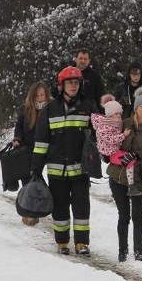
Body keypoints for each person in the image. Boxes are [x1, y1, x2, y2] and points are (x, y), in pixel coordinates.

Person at [31, 65, 97, 255]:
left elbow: (97, 135)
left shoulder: (88, 107)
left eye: (76, 83)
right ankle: (62, 242)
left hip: (80, 170)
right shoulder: (50, 109)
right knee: (60, 208)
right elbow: (42, 141)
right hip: (56, 170)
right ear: (62, 85)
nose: (73, 86)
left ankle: (82, 243)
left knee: (81, 208)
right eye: (70, 83)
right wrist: (36, 167)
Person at [106, 89, 142, 262]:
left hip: (139, 177)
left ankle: (139, 252)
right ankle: (122, 251)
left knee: (138, 215)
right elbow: (110, 141)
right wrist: (111, 154)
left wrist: (136, 155)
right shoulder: (124, 123)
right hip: (118, 176)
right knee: (123, 215)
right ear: (136, 108)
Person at [11, 81, 52, 222]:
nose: (40, 98)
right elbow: (19, 126)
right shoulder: (26, 109)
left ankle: (39, 204)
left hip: (46, 149)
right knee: (28, 178)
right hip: (28, 148)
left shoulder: (52, 108)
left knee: (39, 178)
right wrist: (17, 138)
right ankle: (28, 210)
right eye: (37, 95)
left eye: (42, 95)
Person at [92, 96, 141, 197]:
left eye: (119, 113)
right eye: (116, 113)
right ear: (109, 115)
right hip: (111, 152)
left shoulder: (114, 123)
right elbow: (111, 139)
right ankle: (131, 186)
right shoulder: (105, 126)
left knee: (131, 157)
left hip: (114, 150)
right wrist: (124, 135)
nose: (119, 115)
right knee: (130, 161)